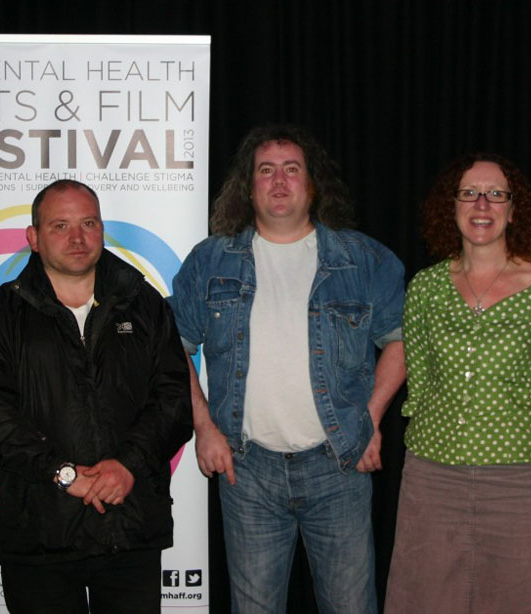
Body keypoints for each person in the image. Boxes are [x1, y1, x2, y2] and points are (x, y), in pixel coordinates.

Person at [169, 124, 405, 613]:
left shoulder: (362, 259)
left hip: (338, 466)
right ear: (248, 186)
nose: (279, 181)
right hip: (248, 471)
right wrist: (204, 427)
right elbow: (173, 345)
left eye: (292, 169)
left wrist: (370, 420)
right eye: (266, 170)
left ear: (312, 183)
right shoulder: (211, 260)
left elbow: (400, 341)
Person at [0, 180, 192, 613]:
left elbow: (174, 401)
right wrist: (63, 473)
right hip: (40, 533)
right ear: (33, 238)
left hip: (129, 528)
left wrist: (129, 464)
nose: (77, 237)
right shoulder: (0, 312)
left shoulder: (144, 304)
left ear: (102, 228)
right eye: (60, 226)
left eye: (88, 223)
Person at [385, 153, 531, 613]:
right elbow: (418, 382)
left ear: (514, 209)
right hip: (432, 480)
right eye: (470, 192)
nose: (483, 203)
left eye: (496, 194)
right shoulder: (426, 288)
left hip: (521, 487)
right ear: (452, 205)